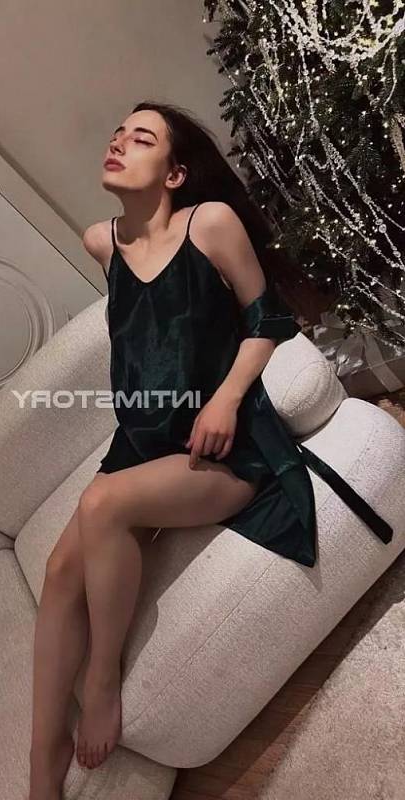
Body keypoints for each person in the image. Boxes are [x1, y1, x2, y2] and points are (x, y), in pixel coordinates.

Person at [27, 102, 393, 798]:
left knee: (102, 503)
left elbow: (269, 317)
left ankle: (101, 680)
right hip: (141, 443)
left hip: (227, 449)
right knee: (57, 571)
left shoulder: (210, 224)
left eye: (141, 138)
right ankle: (42, 769)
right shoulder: (100, 241)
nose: (118, 143)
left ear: (175, 173)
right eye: (117, 134)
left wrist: (225, 397)